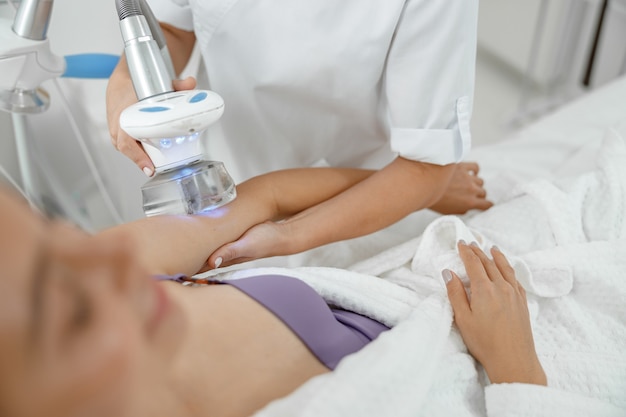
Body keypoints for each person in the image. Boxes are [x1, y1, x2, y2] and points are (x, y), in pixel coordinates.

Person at [0, 165, 544, 417]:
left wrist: (424, 186)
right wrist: (517, 371)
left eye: (54, 231)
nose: (110, 261)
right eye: (74, 312)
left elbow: (268, 198)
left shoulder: (109, 269)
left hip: (429, 285)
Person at [106, 0, 493, 269]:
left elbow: (424, 167)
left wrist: (287, 233)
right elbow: (173, 25)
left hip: (365, 206)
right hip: (227, 177)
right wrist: (126, 80)